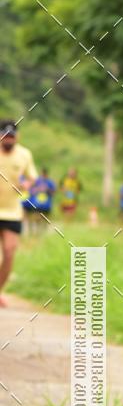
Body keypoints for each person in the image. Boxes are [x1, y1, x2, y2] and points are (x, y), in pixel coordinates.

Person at [0, 120, 38, 307]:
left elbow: (33, 178)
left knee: (9, 252)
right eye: (5, 136)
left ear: (17, 137)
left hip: (12, 212)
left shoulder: (24, 155)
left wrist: (26, 185)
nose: (9, 140)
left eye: (12, 137)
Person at [22, 168, 56, 233]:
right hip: (37, 204)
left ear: (46, 174)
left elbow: (53, 192)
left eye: (43, 174)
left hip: (47, 204)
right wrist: (37, 189)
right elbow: (32, 190)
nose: (42, 176)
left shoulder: (50, 182)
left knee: (45, 219)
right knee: (35, 217)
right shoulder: (37, 181)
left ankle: (43, 231)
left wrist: (47, 190)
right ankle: (32, 231)